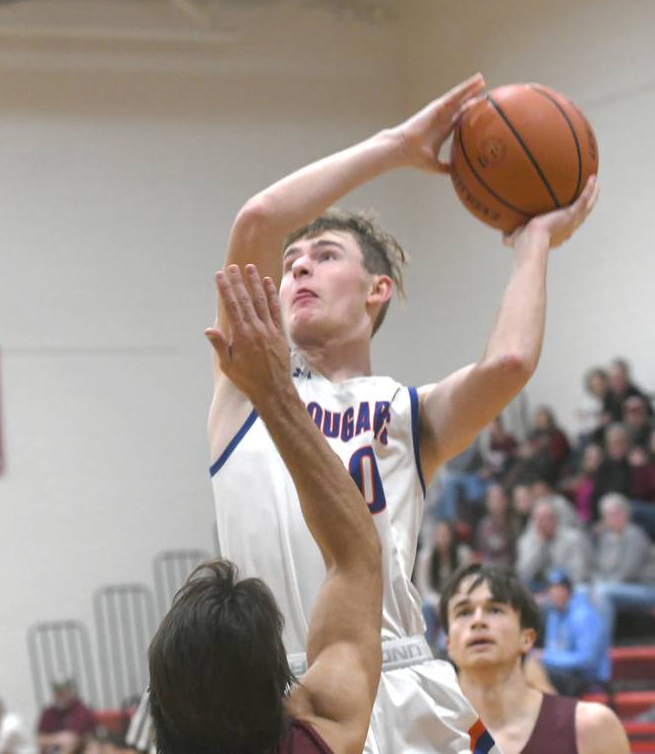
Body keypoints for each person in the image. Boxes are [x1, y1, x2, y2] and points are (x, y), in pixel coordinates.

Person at [208, 72, 599, 754]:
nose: (296, 269)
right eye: (291, 262)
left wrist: (533, 241)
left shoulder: (406, 413)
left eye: (324, 256)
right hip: (266, 687)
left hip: (389, 674)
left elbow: (509, 363)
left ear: (377, 290)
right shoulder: (250, 383)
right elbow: (258, 220)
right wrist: (394, 145)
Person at [148, 266, 384, 754]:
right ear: (285, 690)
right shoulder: (321, 732)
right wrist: (274, 393)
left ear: (158, 703)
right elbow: (357, 555)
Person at [440, 563, 630, 754]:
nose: (478, 620)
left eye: (495, 610)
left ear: (527, 638)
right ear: (448, 644)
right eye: (464, 612)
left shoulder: (591, 728)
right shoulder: (420, 738)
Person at [591, 493, 655, 637]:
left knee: (602, 592)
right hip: (616, 589)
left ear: (626, 514)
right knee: (583, 592)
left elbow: (628, 572)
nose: (613, 518)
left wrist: (601, 586)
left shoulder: (635, 535)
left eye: (617, 513)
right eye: (608, 515)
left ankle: (600, 643)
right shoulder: (606, 539)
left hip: (646, 589)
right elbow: (598, 569)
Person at [537, 569, 611, 697]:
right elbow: (553, 648)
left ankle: (551, 713)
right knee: (530, 667)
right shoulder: (554, 614)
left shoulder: (584, 616)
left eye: (560, 590)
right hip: (564, 674)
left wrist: (546, 656)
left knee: (538, 671)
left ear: (568, 591)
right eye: (552, 591)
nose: (555, 595)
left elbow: (586, 661)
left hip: (589, 679)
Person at [413, 519, 473, 646]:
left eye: (445, 535)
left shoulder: (463, 554)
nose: (442, 539)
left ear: (452, 536)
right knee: (425, 607)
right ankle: (426, 644)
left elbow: (466, 582)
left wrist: (449, 600)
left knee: (454, 609)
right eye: (439, 535)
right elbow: (423, 587)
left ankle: (444, 646)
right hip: (432, 601)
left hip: (456, 597)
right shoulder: (425, 556)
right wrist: (437, 601)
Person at [516, 499, 593, 591]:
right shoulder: (526, 541)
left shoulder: (572, 538)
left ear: (556, 519)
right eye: (540, 519)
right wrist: (540, 545)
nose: (544, 523)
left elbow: (579, 572)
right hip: (541, 589)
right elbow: (524, 574)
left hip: (569, 587)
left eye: (547, 518)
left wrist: (560, 590)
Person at [37, 678, 97, 754]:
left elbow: (85, 737)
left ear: (71, 692)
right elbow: (40, 739)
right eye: (57, 692)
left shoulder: (82, 711)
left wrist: (70, 740)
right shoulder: (48, 712)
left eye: (63, 692)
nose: (60, 696)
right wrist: (57, 739)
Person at [474, 483, 518, 568]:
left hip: (513, 568)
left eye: (498, 498)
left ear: (506, 501)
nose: (496, 502)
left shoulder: (514, 522)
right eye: (492, 499)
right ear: (487, 503)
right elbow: (485, 552)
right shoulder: (484, 526)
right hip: (492, 569)